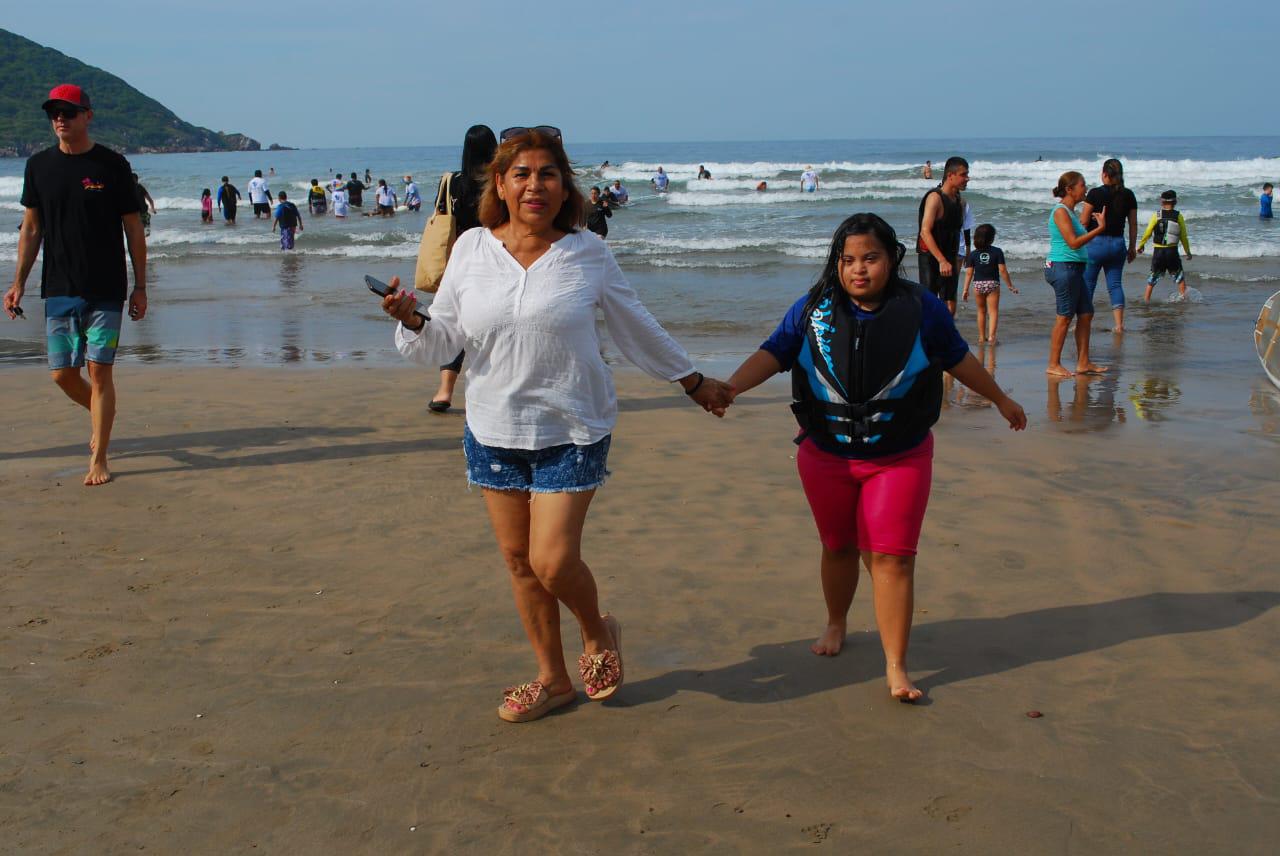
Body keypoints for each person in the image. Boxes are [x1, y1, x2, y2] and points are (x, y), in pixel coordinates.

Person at [380, 128, 734, 722]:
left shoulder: (587, 251)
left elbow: (634, 324)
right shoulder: (471, 248)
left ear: (563, 185)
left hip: (572, 428)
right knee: (519, 563)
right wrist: (413, 320)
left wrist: (692, 381)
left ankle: (597, 632)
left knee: (551, 560)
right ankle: (554, 679)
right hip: (493, 429)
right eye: (521, 174)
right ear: (499, 184)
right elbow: (445, 338)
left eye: (547, 174)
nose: (535, 185)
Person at [724, 213, 1026, 703]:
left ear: (892, 259)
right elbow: (774, 352)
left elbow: (960, 360)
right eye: (848, 260)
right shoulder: (812, 310)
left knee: (891, 559)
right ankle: (836, 622)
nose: (858, 269)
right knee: (838, 546)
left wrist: (1000, 398)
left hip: (900, 458)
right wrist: (731, 387)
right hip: (825, 457)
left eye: (870, 258)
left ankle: (896, 666)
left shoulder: (923, 310)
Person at [3, 83, 148, 486]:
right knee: (62, 374)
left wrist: (140, 286)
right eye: (54, 113)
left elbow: (133, 228)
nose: (60, 118)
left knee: (99, 372)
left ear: (88, 115)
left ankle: (99, 456)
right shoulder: (38, 167)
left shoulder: (112, 165)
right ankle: (104, 415)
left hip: (106, 288)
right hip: (60, 287)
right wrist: (17, 283)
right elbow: (31, 229)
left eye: (68, 111)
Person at [428, 124, 499, 414]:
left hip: (462, 258)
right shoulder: (500, 180)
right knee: (498, 323)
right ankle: (494, 388)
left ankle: (445, 391)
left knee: (456, 324)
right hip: (498, 256)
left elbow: (444, 221)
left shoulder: (453, 182)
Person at [1045, 170, 1109, 377]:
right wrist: (1099, 229)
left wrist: (1095, 227)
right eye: (1082, 185)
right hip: (1063, 267)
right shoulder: (1060, 211)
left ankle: (1083, 362)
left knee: (1086, 314)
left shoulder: (1071, 213)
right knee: (1064, 318)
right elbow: (1072, 243)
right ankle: (1053, 364)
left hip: (1074, 269)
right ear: (1069, 189)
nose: (1086, 189)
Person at [1079, 159, 1138, 332]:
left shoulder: (1095, 193)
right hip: (1118, 244)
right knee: (1115, 285)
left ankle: (1083, 323)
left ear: (1104, 174)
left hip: (1095, 244)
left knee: (1088, 284)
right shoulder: (1128, 195)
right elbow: (1133, 224)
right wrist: (1132, 247)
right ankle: (1119, 325)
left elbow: (1083, 222)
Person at [916, 156, 968, 316]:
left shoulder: (961, 202)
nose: (967, 178)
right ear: (950, 176)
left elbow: (959, 230)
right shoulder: (935, 198)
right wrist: (941, 260)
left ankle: (945, 336)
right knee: (929, 302)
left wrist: (964, 252)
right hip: (931, 258)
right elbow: (925, 231)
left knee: (950, 302)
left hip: (949, 256)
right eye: (964, 175)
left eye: (967, 174)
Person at [961, 223, 1018, 343]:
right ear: (992, 238)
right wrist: (1010, 286)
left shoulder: (973, 254)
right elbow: (1002, 270)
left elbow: (969, 273)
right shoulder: (997, 252)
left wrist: (965, 289)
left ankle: (981, 337)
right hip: (992, 284)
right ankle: (992, 337)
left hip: (978, 285)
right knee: (993, 312)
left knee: (981, 311)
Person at [1137, 190, 1193, 302]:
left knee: (1152, 279)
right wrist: (1188, 252)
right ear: (1175, 202)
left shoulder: (1156, 215)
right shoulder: (1178, 216)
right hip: (1172, 252)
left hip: (1158, 253)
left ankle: (1146, 301)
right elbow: (1183, 236)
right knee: (1179, 278)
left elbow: (1148, 232)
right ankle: (1183, 300)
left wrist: (1141, 245)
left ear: (1161, 202)